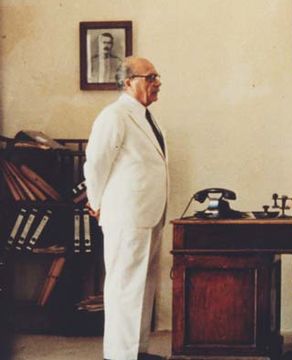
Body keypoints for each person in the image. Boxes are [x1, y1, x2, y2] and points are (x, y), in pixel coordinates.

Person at [84, 56, 168, 360]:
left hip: (149, 213)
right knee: (125, 285)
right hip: (127, 216)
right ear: (128, 81)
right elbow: (95, 164)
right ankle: (120, 355)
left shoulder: (146, 116)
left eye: (158, 76)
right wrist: (96, 203)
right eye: (150, 77)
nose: (157, 82)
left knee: (143, 287)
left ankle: (136, 351)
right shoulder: (115, 115)